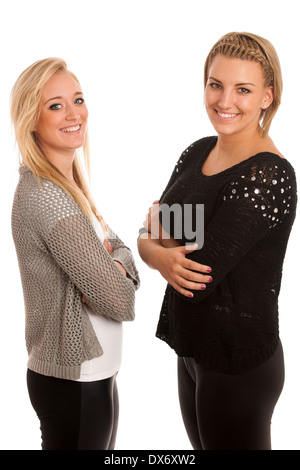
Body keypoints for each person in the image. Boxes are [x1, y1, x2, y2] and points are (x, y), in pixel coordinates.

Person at [138, 32, 297, 450]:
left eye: (242, 89)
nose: (225, 101)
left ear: (267, 95)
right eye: (216, 84)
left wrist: (157, 245)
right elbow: (153, 233)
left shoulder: (267, 176)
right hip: (194, 350)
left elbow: (198, 276)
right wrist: (157, 250)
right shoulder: (197, 152)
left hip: (238, 363)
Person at [11, 58, 140, 450]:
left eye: (78, 99)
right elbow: (120, 301)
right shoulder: (48, 198)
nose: (74, 114)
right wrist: (117, 272)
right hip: (73, 382)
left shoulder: (70, 188)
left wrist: (114, 263)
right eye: (55, 105)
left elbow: (120, 248)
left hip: (94, 377)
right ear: (32, 120)